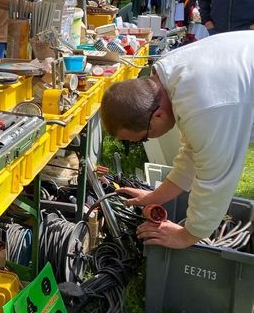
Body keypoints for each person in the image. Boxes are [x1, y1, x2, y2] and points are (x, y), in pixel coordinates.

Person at [100, 32, 254, 249]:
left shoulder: (204, 107)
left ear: (158, 116)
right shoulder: (169, 74)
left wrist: (187, 236)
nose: (145, 141)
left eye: (143, 138)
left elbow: (215, 179)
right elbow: (193, 151)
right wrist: (157, 196)